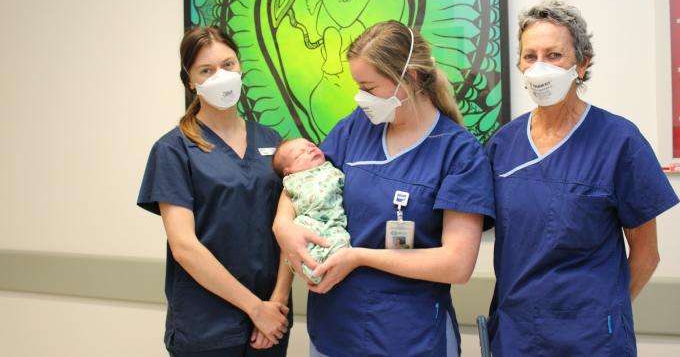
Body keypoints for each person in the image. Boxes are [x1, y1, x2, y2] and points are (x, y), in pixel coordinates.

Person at [273, 20, 495, 357]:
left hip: (410, 336)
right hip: (336, 331)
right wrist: (283, 224)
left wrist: (359, 257)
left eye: (369, 87)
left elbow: (457, 264)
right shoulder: (355, 129)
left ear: (412, 78)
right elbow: (301, 177)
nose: (360, 98)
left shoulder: (459, 153)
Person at [487, 0, 679, 356]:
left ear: (582, 63)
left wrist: (602, 313)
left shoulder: (619, 141)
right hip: (516, 337)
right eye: (530, 56)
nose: (540, 67)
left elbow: (646, 254)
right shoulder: (503, 145)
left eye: (554, 55)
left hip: (592, 341)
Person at [137, 26, 292, 356]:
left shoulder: (272, 141)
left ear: (241, 68)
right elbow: (185, 248)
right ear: (190, 80)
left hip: (271, 323)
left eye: (228, 65)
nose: (221, 76)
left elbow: (289, 229)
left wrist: (277, 302)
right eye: (206, 70)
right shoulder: (174, 150)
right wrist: (255, 309)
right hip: (207, 327)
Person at [271, 138, 350, 284]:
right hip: (307, 220)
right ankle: (313, 268)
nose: (310, 149)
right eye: (299, 154)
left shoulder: (331, 168)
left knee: (340, 242)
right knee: (301, 240)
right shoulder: (292, 181)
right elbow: (286, 214)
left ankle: (325, 267)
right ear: (288, 171)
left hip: (332, 222)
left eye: (311, 145)